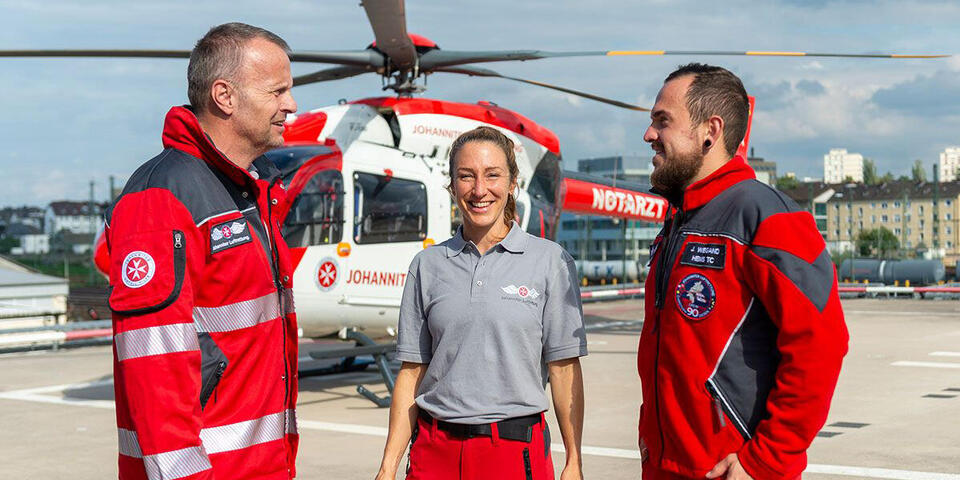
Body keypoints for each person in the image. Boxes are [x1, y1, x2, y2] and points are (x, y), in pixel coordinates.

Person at [106, 23, 299, 479]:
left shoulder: (250, 191)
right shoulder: (162, 198)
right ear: (224, 96)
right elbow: (155, 368)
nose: (291, 105)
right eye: (278, 91)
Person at [637, 63, 849, 480]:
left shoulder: (765, 215)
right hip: (666, 466)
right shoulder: (680, 221)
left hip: (731, 469)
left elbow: (821, 344)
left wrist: (768, 460)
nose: (649, 135)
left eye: (663, 121)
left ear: (709, 131)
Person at [376, 126, 588, 480]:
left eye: (492, 175)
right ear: (452, 184)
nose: (479, 190)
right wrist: (387, 467)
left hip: (512, 452)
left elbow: (564, 369)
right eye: (465, 176)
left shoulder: (551, 262)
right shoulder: (426, 265)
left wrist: (574, 461)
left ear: (512, 182)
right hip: (433, 451)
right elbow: (412, 372)